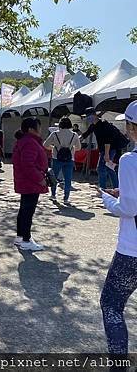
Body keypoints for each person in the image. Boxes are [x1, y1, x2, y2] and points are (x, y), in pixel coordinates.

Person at [99, 100, 137, 357]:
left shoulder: (129, 160)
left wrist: (107, 198)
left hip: (132, 251)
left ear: (132, 127)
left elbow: (128, 209)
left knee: (111, 305)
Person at [12, 117, 48, 251]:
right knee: (28, 211)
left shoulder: (25, 141)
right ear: (31, 129)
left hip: (26, 182)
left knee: (24, 210)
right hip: (30, 182)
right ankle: (26, 240)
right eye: (39, 127)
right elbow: (28, 165)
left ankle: (21, 237)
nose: (40, 130)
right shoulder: (30, 142)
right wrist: (40, 179)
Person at [81, 107, 129, 189]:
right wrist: (74, 139)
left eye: (90, 116)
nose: (89, 119)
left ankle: (103, 188)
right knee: (109, 169)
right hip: (105, 149)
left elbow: (107, 140)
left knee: (101, 169)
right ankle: (117, 188)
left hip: (109, 149)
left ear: (95, 115)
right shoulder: (93, 126)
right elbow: (85, 134)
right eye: (87, 117)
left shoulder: (103, 124)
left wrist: (106, 154)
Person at [43, 117, 82, 204]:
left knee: (54, 177)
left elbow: (45, 145)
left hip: (57, 157)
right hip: (69, 158)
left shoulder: (55, 134)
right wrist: (71, 149)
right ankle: (66, 198)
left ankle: (53, 195)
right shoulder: (74, 135)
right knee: (68, 179)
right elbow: (79, 148)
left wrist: (53, 148)